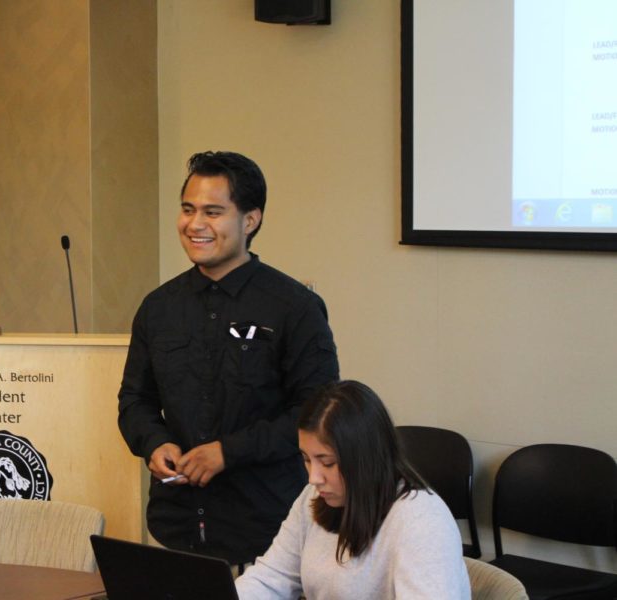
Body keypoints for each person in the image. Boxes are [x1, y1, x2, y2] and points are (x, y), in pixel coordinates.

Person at [117, 150, 339, 565]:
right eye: (188, 209)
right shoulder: (158, 307)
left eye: (213, 212)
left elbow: (316, 415)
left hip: (267, 528)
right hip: (176, 524)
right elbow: (134, 401)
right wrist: (155, 442)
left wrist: (228, 452)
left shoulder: (295, 308)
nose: (195, 224)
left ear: (250, 220)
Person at [235, 380, 471, 599]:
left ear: (364, 459)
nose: (313, 477)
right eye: (306, 459)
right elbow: (270, 578)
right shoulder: (314, 497)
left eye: (327, 462)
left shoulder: (422, 521)